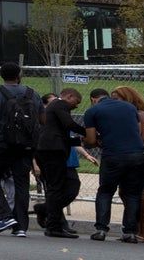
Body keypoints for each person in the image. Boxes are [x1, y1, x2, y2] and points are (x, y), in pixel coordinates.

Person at [83, 84, 144, 243]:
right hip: (137, 154)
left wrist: (87, 142)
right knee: (133, 193)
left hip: (113, 155)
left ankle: (101, 229)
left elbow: (91, 140)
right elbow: (137, 130)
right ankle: (130, 232)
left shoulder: (92, 111)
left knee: (105, 192)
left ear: (94, 100)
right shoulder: (130, 107)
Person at [0, 60, 39, 236]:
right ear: (19, 75)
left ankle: (4, 215)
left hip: (2, 141)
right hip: (26, 144)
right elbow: (42, 119)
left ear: (1, 75)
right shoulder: (32, 93)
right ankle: (20, 227)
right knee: (22, 182)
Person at [35, 88, 86, 237]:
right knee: (55, 188)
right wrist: (89, 132)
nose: (76, 106)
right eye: (76, 102)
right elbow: (68, 124)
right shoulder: (60, 104)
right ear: (69, 97)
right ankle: (53, 226)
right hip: (52, 151)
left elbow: (59, 133)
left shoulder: (54, 109)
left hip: (49, 149)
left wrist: (81, 140)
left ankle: (46, 211)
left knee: (63, 186)